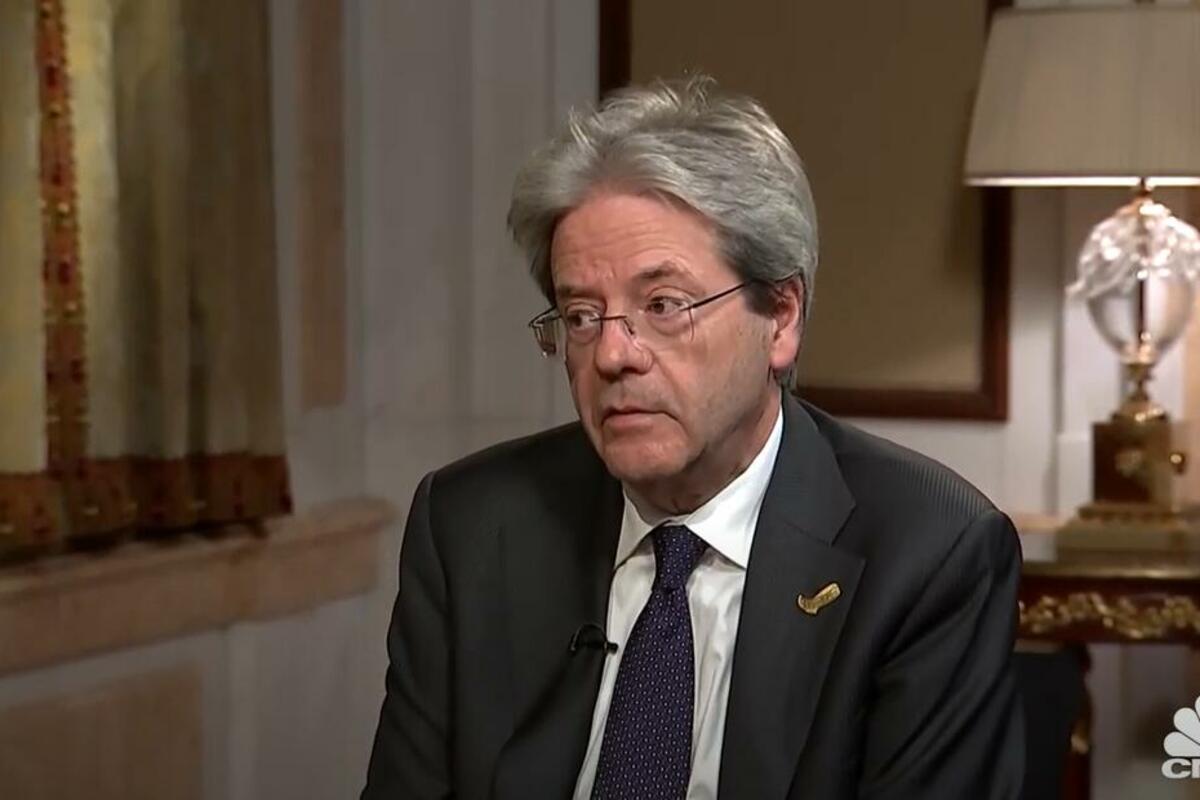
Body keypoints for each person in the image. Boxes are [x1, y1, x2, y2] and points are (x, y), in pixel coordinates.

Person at [363, 77, 1024, 800]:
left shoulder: (928, 553)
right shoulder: (471, 526)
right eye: (581, 315)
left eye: (663, 305)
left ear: (781, 317)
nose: (612, 355)